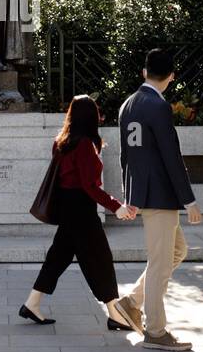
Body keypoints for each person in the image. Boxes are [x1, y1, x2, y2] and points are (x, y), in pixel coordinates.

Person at [19, 95, 139, 332]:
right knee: (100, 258)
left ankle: (32, 304)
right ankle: (114, 313)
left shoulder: (61, 141)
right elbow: (89, 185)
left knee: (58, 257)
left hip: (67, 206)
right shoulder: (84, 144)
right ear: (91, 117)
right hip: (81, 208)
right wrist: (117, 206)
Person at [114, 49, 203, 352]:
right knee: (160, 263)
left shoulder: (128, 105)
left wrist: (131, 196)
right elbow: (171, 157)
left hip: (145, 193)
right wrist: (189, 200)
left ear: (144, 72)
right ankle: (155, 331)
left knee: (176, 250)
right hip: (162, 196)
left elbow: (126, 157)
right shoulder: (159, 107)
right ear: (172, 76)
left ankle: (131, 301)